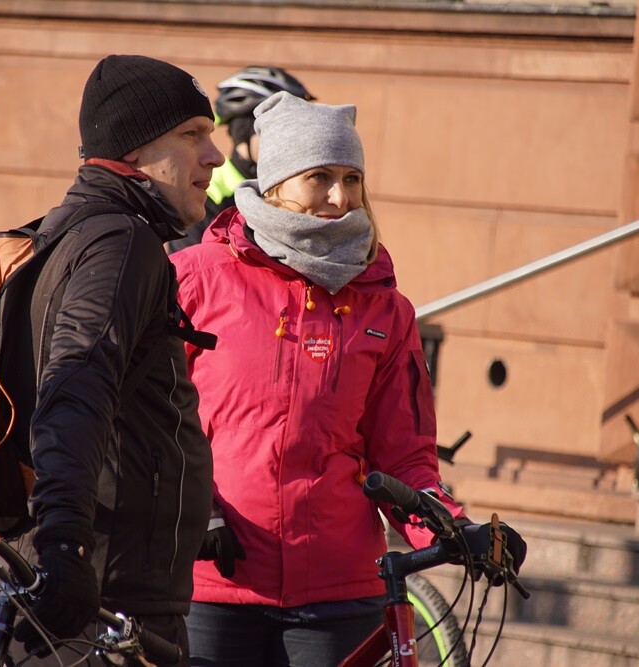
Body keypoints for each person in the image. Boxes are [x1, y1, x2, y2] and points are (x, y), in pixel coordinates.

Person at [171, 92, 527, 666]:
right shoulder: (193, 279)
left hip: (339, 597)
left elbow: (405, 459)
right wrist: (195, 508)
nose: (341, 198)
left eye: (352, 179)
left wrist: (453, 530)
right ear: (276, 183)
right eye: (319, 177)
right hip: (212, 586)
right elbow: (151, 419)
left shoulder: (387, 310)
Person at [0, 54, 224, 665]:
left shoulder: (69, 230)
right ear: (134, 152)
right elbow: (77, 386)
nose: (216, 156)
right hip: (107, 602)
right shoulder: (124, 244)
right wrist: (65, 545)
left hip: (94, 582)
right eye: (191, 135)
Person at [165, 65, 315, 254]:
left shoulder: (304, 185)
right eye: (277, 132)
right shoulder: (206, 190)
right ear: (243, 134)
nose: (289, 142)